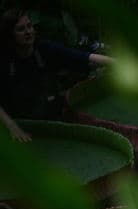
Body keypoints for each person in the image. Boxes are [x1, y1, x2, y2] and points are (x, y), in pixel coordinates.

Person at [0, 8, 113, 142]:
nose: (28, 32)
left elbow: (84, 57)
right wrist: (12, 126)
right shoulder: (4, 59)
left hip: (49, 120)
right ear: (11, 35)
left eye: (29, 26)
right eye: (21, 29)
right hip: (15, 122)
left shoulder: (45, 50)